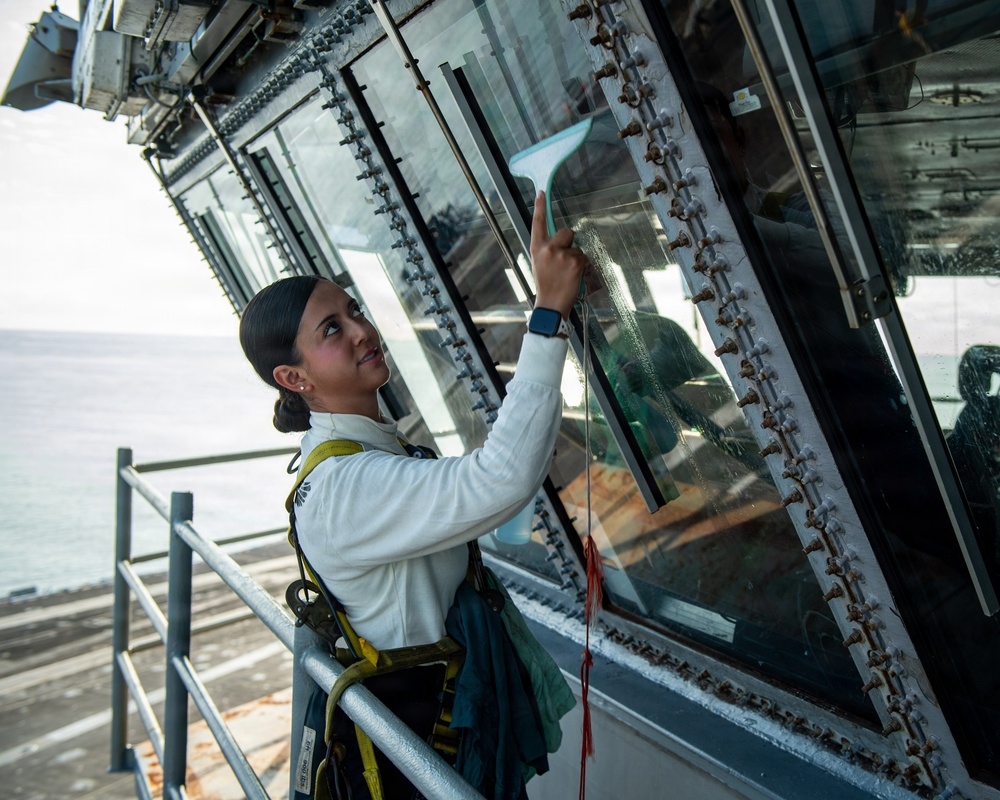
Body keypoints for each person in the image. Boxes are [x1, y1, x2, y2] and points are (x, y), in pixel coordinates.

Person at [239, 191, 586, 799]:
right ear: (295, 380)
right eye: (331, 330)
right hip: (429, 756)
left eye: (353, 311)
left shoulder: (369, 455)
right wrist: (548, 313)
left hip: (449, 738)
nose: (362, 331)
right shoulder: (346, 488)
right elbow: (498, 480)